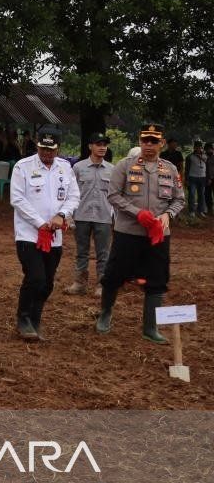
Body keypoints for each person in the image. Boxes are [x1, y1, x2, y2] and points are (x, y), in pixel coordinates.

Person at [97, 122, 186, 343]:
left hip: (158, 235)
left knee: (157, 279)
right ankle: (105, 314)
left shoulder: (170, 169)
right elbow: (113, 195)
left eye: (154, 141)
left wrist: (168, 216)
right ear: (139, 142)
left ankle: (150, 328)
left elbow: (179, 199)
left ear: (162, 144)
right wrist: (137, 213)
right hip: (128, 232)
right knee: (114, 275)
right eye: (145, 140)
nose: (149, 145)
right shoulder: (124, 166)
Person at [9, 127, 80, 341]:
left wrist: (62, 214)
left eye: (51, 150)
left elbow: (74, 196)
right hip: (28, 234)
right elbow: (17, 199)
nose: (47, 153)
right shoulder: (23, 167)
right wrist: (40, 223)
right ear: (37, 146)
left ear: (58, 149)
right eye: (43, 148)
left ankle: (35, 318)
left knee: (48, 282)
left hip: (55, 235)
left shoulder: (65, 168)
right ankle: (23, 318)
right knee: (35, 277)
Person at [66, 133, 115, 295]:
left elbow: (115, 195)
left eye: (104, 144)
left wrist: (114, 214)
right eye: (98, 144)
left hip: (104, 217)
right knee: (82, 251)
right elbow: (70, 192)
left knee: (104, 253)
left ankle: (102, 284)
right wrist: (69, 215)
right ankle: (79, 284)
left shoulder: (112, 170)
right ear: (90, 146)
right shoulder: (78, 168)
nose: (102, 147)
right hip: (82, 215)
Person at [185, 140, 206, 216]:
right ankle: (192, 211)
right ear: (194, 148)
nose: (198, 149)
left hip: (203, 178)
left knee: (202, 195)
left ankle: (201, 210)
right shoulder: (189, 157)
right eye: (197, 147)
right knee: (192, 194)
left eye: (200, 147)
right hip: (192, 177)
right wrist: (186, 179)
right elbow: (187, 169)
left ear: (202, 148)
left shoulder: (205, 156)